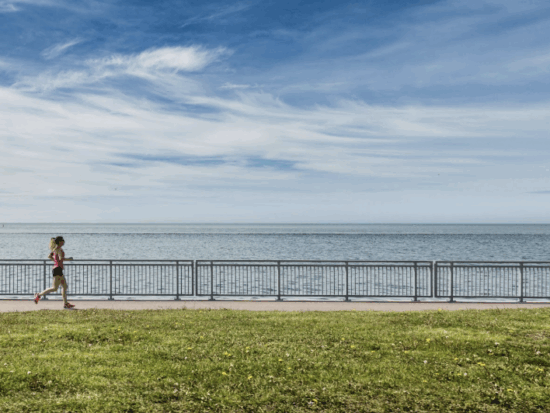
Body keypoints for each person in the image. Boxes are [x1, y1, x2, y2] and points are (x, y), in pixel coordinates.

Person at [34, 236, 75, 309]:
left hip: (57, 269)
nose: (63, 242)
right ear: (59, 242)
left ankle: (65, 303)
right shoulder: (58, 249)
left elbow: (49, 256)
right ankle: (39, 295)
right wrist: (69, 259)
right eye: (62, 240)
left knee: (64, 286)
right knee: (55, 288)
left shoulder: (55, 249)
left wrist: (55, 261)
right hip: (57, 269)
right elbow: (61, 258)